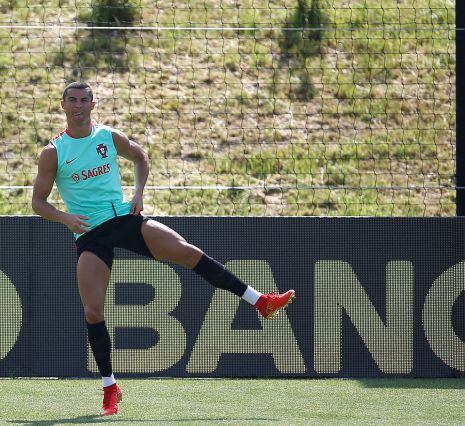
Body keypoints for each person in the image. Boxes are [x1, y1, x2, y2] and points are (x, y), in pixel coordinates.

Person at [31, 82, 295, 417]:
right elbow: (38, 202)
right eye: (73, 100)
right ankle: (110, 387)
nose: (79, 106)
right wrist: (65, 217)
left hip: (123, 219)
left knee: (187, 252)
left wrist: (139, 192)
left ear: (93, 104)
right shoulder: (54, 151)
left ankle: (261, 301)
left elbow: (140, 157)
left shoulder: (108, 137)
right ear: (63, 106)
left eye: (85, 100)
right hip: (90, 235)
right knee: (93, 311)